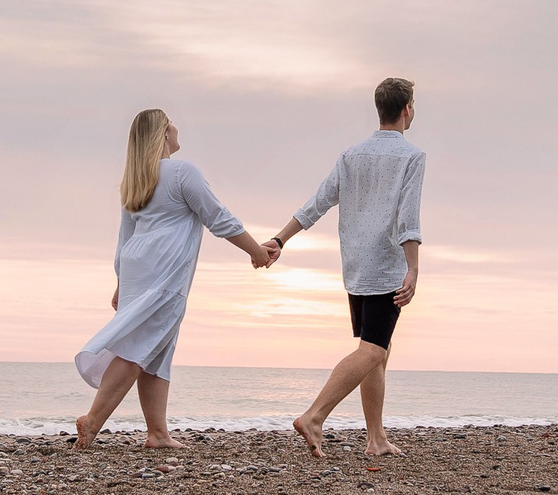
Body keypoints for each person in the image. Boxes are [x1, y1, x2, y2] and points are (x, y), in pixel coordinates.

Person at [75, 108, 270, 448]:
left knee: (157, 349)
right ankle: (92, 421)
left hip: (137, 268)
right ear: (164, 133)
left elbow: (125, 238)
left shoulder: (135, 180)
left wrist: (121, 281)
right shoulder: (182, 172)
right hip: (164, 269)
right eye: (171, 123)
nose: (177, 127)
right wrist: (256, 252)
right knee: (138, 347)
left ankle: (158, 433)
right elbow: (218, 217)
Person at [268, 78, 424, 458]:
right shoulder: (411, 156)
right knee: (372, 350)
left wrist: (280, 239)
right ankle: (314, 416)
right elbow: (408, 218)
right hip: (385, 267)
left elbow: (317, 202)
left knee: (377, 349)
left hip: (355, 267)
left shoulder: (351, 155)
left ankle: (376, 438)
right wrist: (414, 269)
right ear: (407, 110)